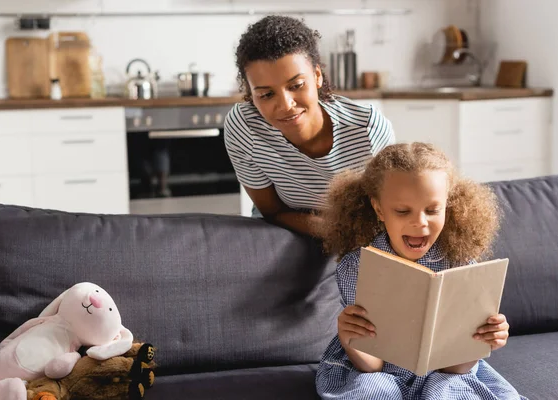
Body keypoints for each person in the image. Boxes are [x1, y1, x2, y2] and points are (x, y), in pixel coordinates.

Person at [315, 142, 526, 399]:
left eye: (433, 210)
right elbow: (373, 366)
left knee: (447, 391)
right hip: (376, 372)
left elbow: (454, 369)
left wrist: (480, 342)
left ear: (447, 207)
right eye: (403, 211)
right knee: (374, 390)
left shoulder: (462, 266)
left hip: (446, 373)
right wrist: (351, 340)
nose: (420, 223)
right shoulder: (357, 267)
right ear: (379, 209)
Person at [224, 15, 395, 237]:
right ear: (250, 94)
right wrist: (330, 230)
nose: (286, 105)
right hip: (284, 231)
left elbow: (386, 212)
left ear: (317, 76)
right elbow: (272, 211)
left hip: (355, 235)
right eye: (266, 94)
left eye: (296, 85)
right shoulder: (245, 127)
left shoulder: (367, 130)